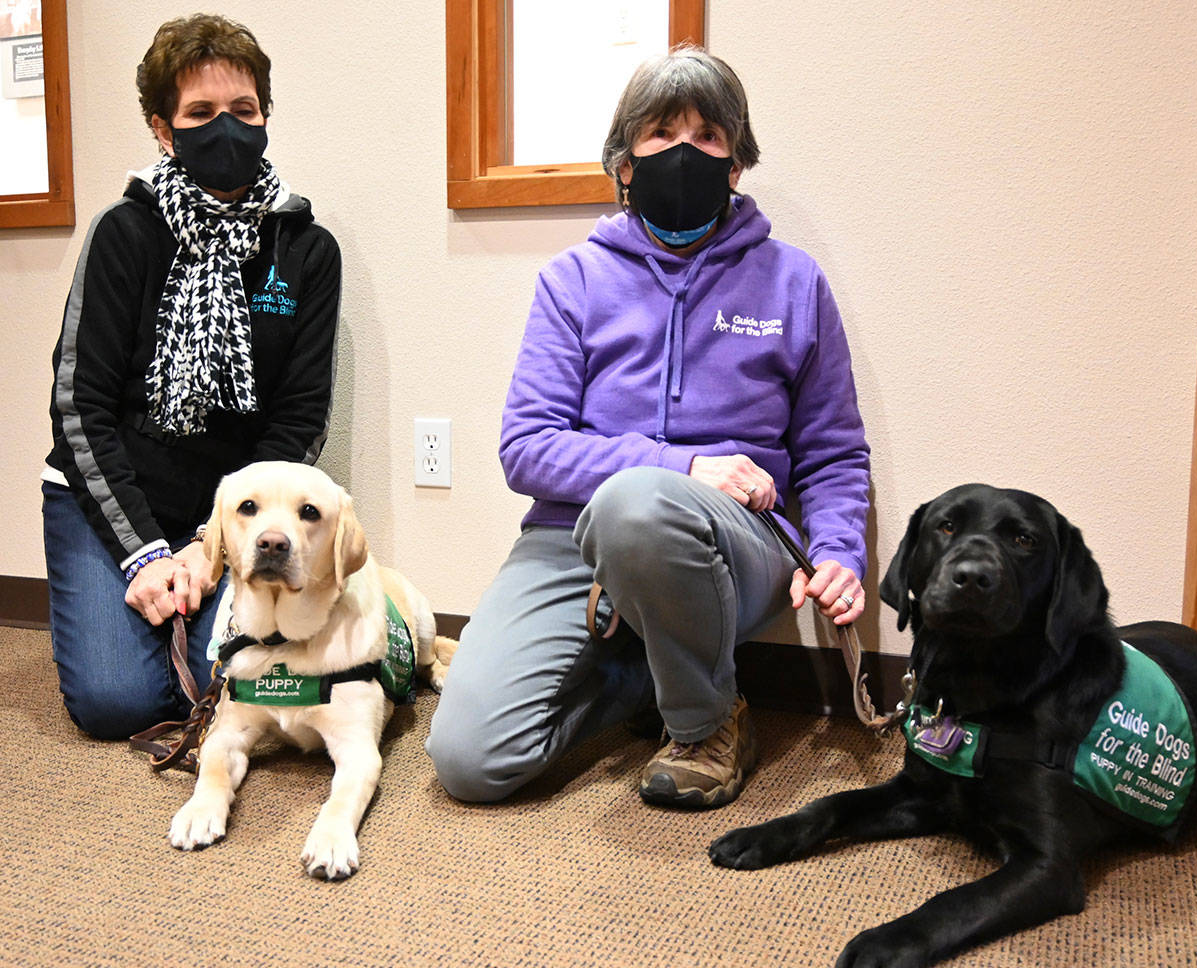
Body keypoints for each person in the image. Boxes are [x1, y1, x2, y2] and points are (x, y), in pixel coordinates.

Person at [427, 46, 870, 809]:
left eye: (708, 136)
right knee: (470, 760)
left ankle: (706, 723)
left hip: (738, 543)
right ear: (625, 162)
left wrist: (838, 552)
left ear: (736, 164)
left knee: (638, 504)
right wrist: (682, 465)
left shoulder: (794, 282)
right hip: (571, 541)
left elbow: (833, 453)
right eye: (662, 133)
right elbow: (526, 448)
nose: (684, 152)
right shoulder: (572, 280)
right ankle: (645, 677)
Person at [43, 14, 341, 740]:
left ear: (265, 115)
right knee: (119, 704)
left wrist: (213, 546)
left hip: (230, 515)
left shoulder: (306, 249)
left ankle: (188, 610)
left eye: (243, 109)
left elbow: (299, 422)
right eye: (201, 113)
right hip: (110, 498)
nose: (227, 129)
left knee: (235, 679)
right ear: (162, 129)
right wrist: (146, 554)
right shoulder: (124, 231)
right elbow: (79, 408)